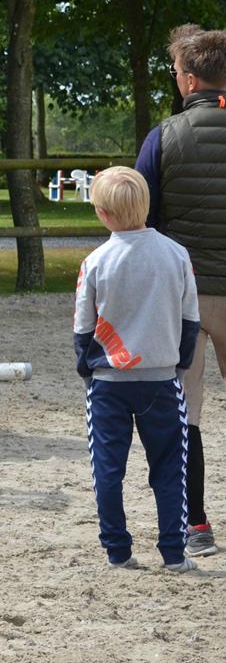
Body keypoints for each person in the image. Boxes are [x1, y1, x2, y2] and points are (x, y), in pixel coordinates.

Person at [74, 166, 200, 573]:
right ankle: (174, 553)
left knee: (108, 470)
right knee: (169, 469)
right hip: (161, 380)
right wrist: (178, 362)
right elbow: (190, 320)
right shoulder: (176, 255)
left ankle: (118, 551)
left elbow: (84, 327)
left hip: (109, 382)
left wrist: (86, 369)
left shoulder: (95, 262)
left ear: (103, 213)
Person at [135, 25, 226, 558]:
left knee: (185, 412)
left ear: (189, 78)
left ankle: (196, 525)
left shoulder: (163, 137)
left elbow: (141, 218)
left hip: (187, 297)